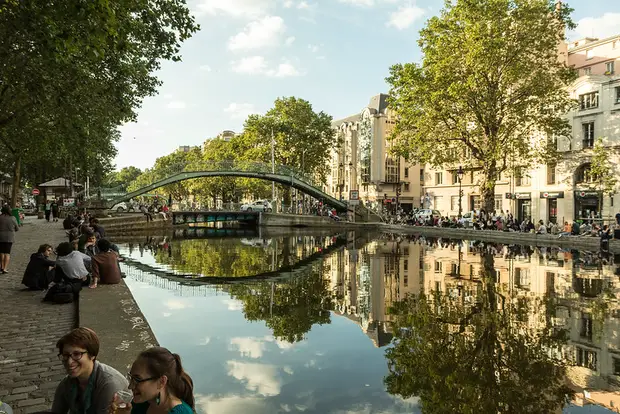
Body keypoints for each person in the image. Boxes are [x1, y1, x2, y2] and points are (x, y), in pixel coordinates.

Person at [52, 327, 128, 414]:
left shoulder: (108, 384)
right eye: (65, 355)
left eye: (77, 354)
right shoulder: (66, 384)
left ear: (92, 355)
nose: (69, 362)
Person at [112, 347, 194, 414]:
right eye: (131, 377)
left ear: (161, 382)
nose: (130, 386)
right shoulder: (140, 404)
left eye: (138, 379)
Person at [0, 205, 19, 274]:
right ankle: (5, 268)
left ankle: (1, 267)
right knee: (7, 253)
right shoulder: (12, 218)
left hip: (0, 237)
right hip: (9, 237)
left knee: (1, 252)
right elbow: (17, 228)